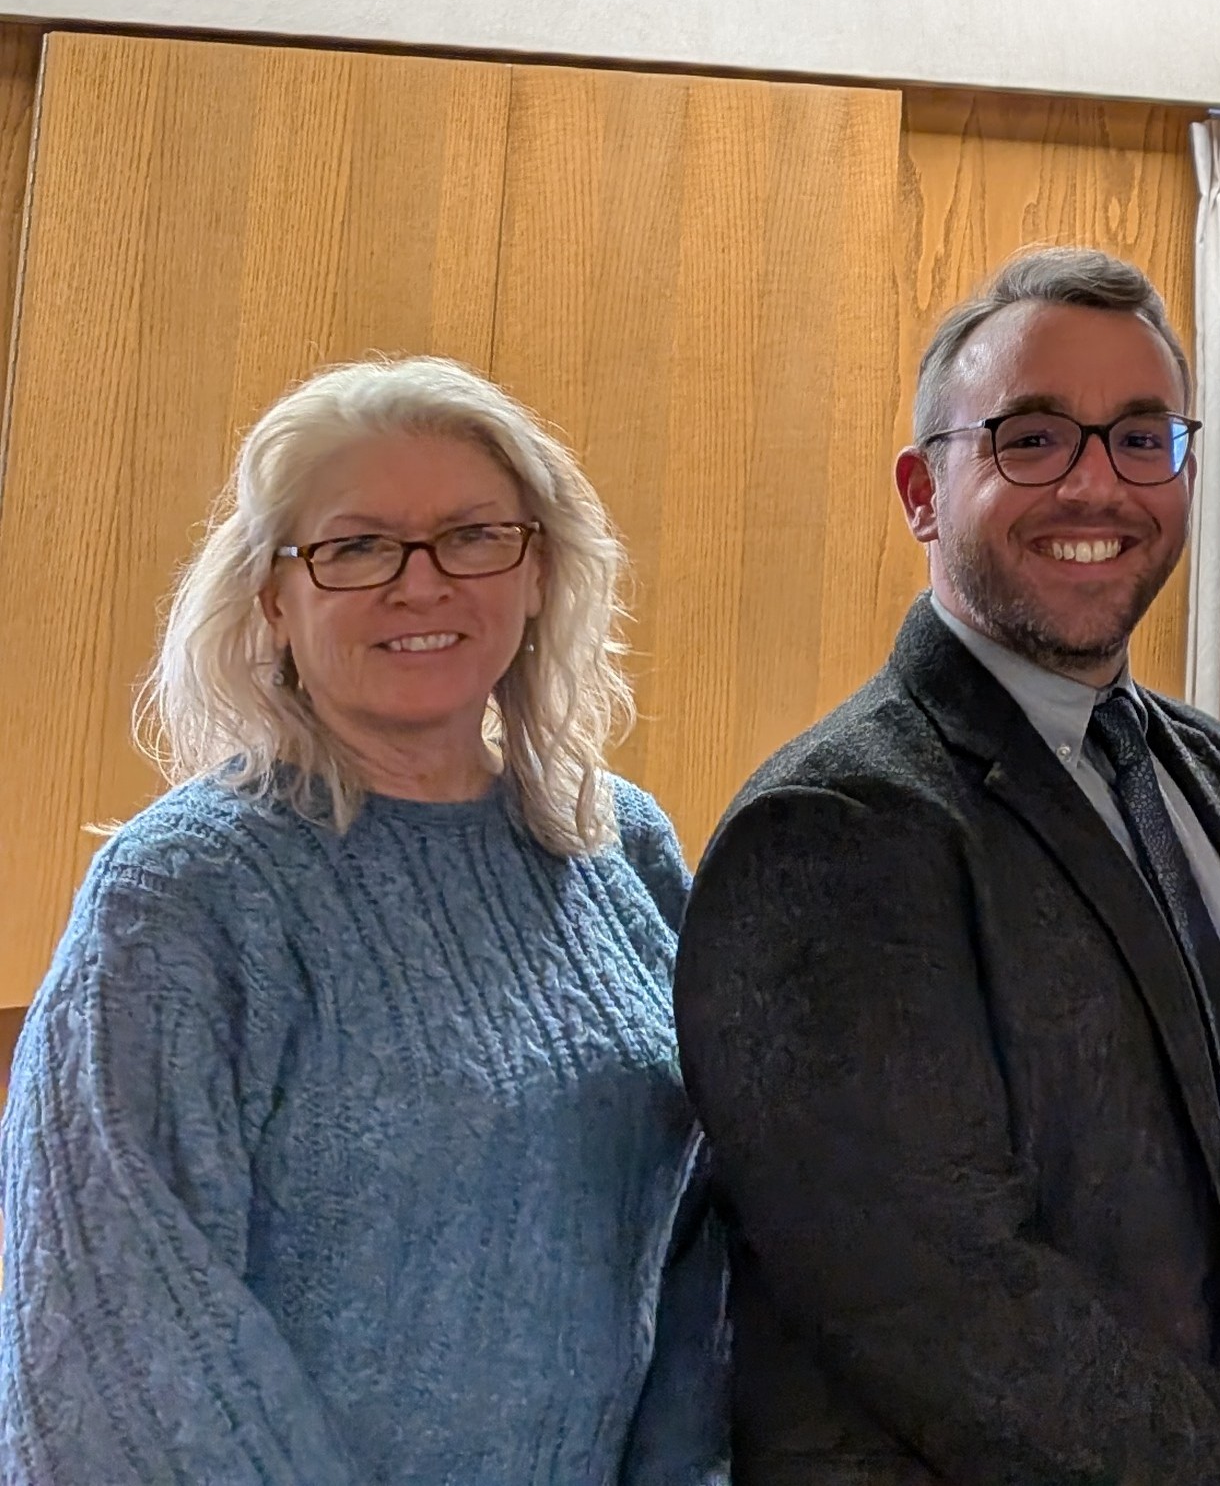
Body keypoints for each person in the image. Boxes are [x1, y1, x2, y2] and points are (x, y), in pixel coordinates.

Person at [677, 248, 1220, 1484]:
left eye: (1141, 438)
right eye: (1031, 439)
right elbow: (937, 1301)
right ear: (923, 489)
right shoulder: (832, 827)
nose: (1097, 486)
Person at [0, 356, 722, 1482]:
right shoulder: (182, 893)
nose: (421, 585)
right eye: (356, 547)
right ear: (272, 599)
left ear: (539, 573)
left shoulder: (613, 842)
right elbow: (114, 1334)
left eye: (475, 535)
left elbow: (700, 1241)